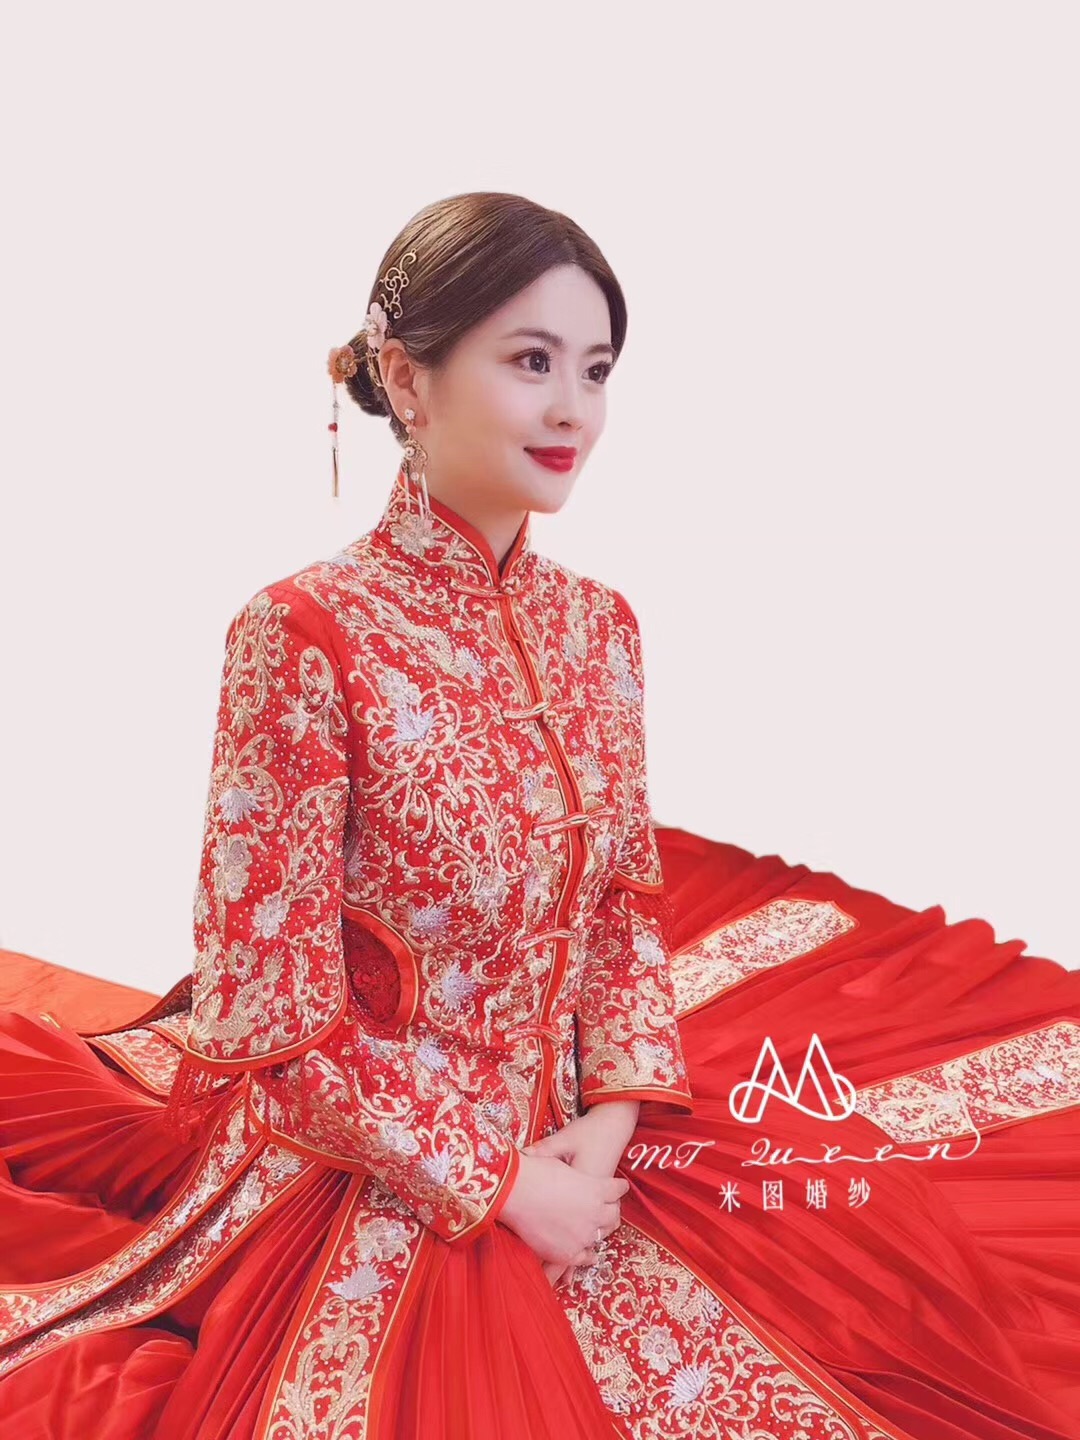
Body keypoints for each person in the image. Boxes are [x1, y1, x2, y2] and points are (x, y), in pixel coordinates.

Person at [2, 190, 1079, 1440]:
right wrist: (503, 1184)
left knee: (897, 1290)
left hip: (584, 1142)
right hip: (374, 1168)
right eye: (531, 362)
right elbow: (271, 1022)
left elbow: (622, 905)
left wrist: (607, 1131)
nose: (575, 409)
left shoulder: (599, 626)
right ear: (407, 379)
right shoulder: (300, 635)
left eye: (597, 370)